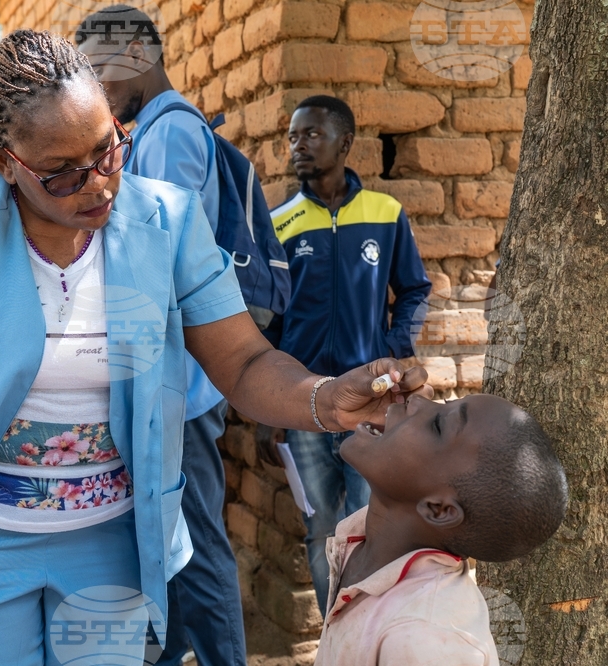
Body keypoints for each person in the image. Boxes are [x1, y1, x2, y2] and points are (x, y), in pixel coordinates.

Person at [0, 30, 430, 665]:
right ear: (5, 162)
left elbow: (243, 361)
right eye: (63, 174)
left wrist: (325, 398)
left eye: (108, 151)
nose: (99, 185)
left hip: (113, 545)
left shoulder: (167, 220)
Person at [75, 8, 244, 664]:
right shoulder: (150, 129)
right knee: (172, 546)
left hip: (183, 383)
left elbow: (154, 259)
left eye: (98, 71)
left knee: (196, 547)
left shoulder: (170, 131)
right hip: (173, 375)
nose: (94, 89)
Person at [268, 96, 433, 617]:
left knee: (370, 522)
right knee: (320, 529)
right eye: (293, 137)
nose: (299, 146)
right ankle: (337, 633)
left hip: (374, 406)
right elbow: (269, 321)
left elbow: (413, 288)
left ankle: (371, 632)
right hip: (306, 405)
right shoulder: (281, 223)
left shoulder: (385, 214)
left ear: (345, 143)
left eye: (312, 135)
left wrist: (395, 349)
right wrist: (269, 408)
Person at [315, 394, 567, 664]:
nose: (418, 400)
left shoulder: (427, 636)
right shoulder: (362, 551)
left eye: (437, 425)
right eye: (445, 403)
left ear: (438, 509)